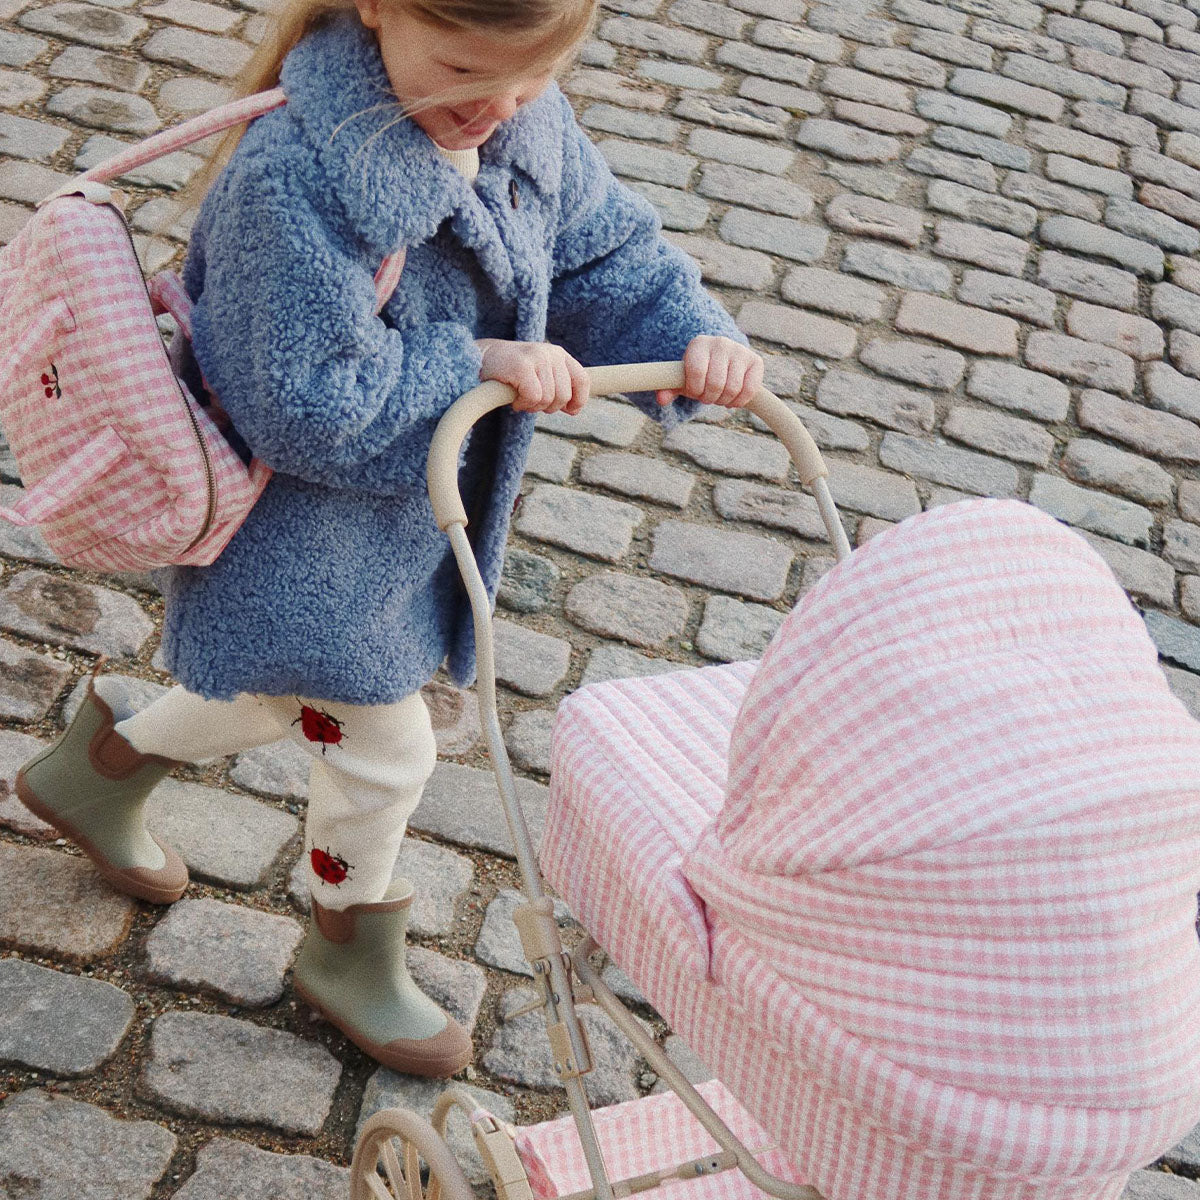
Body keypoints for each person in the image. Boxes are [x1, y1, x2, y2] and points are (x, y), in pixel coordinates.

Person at [16, 0, 764, 1078]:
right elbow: (302, 401)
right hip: (298, 535)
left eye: (534, 76)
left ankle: (99, 766)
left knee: (273, 696)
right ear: (376, 10)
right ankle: (345, 946)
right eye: (464, 68)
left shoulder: (518, 120)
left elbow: (603, 250)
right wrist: (474, 364)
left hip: (396, 532)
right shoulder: (296, 177)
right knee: (386, 745)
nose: (496, 108)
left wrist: (689, 337)